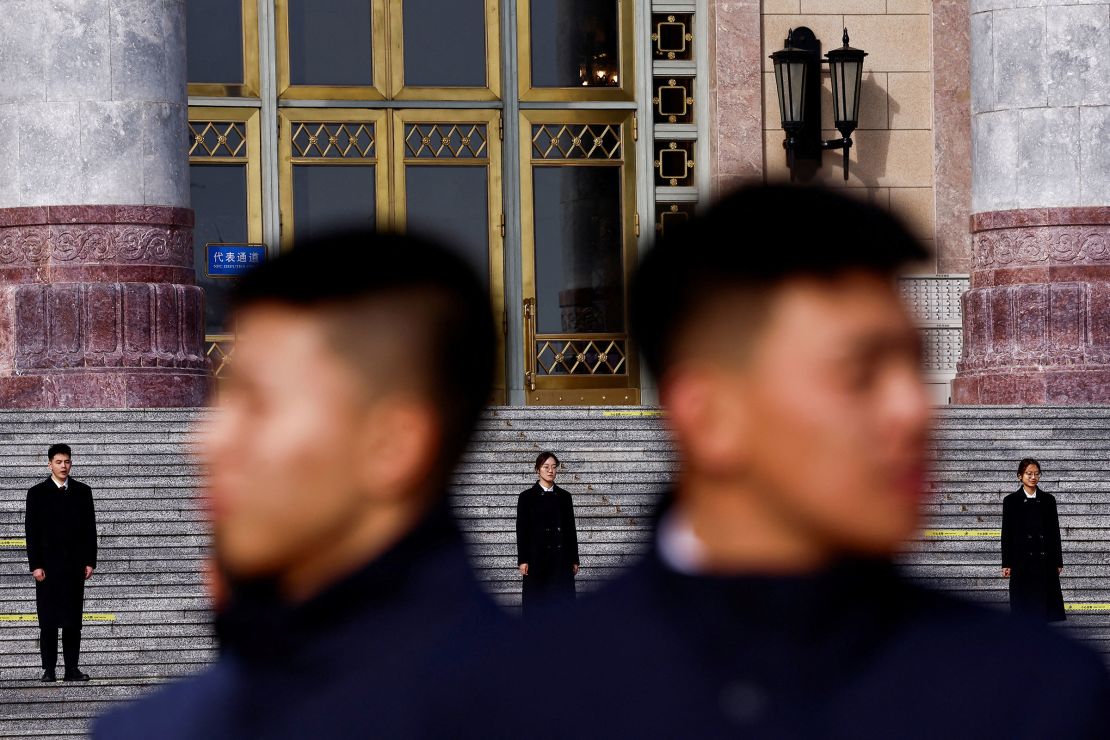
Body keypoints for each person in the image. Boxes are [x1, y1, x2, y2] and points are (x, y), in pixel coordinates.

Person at [463, 184, 1110, 739]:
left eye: (913, 367)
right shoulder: (520, 699)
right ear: (708, 415)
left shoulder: (1039, 699)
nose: (913, 411)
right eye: (859, 374)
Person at [93, 230, 500, 739]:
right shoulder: (157, 727)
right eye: (223, 397)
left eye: (257, 403)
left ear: (393, 445)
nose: (204, 440)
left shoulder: (566, 711)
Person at [25, 443, 97, 683]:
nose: (63, 466)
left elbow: (90, 530)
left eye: (67, 461)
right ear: (50, 464)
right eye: (58, 462)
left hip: (74, 567)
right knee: (48, 621)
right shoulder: (36, 493)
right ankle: (49, 669)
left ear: (71, 463)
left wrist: (90, 561)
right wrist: (35, 564)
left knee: (73, 621)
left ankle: (71, 669)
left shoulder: (82, 491)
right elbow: (31, 532)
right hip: (47, 568)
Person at [516, 452, 580, 617]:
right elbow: (522, 530)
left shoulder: (565, 496)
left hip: (561, 558)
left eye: (553, 467)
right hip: (537, 558)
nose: (550, 470)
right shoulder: (526, 497)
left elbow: (570, 529)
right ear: (538, 469)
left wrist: (574, 558)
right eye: (546, 467)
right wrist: (523, 559)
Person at [1002, 458, 1066, 622]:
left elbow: (1054, 532)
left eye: (1036, 474)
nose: (1033, 477)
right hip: (1021, 561)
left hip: (1044, 561)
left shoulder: (1048, 500)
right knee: (1023, 608)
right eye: (1029, 474)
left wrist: (1058, 561)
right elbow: (1006, 533)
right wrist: (1006, 563)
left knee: (1043, 607)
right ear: (1020, 476)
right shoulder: (1010, 501)